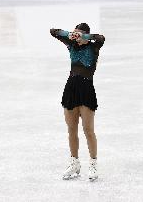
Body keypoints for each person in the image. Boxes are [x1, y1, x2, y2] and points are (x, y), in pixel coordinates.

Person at [50, 23, 105, 181]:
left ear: (86, 36)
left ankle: (93, 164)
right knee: (71, 129)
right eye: (75, 34)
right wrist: (70, 34)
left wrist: (85, 37)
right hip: (70, 90)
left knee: (88, 129)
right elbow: (53, 31)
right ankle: (74, 163)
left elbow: (101, 38)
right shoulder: (71, 45)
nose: (77, 38)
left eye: (80, 35)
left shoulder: (94, 47)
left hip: (86, 90)